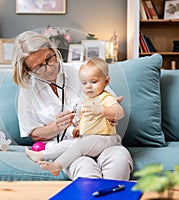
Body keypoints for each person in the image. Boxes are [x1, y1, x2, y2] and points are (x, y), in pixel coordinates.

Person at [11, 31, 133, 180]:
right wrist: (56, 126)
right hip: (68, 150)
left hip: (102, 142)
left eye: (49, 58)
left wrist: (111, 115)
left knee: (120, 160)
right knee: (87, 173)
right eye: (39, 67)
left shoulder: (82, 71)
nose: (49, 68)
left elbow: (111, 106)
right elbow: (34, 133)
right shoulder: (28, 91)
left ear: (53, 50)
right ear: (27, 71)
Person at [25, 57, 124, 176]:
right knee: (68, 144)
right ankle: (42, 155)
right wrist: (78, 129)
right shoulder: (86, 100)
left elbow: (120, 112)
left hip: (105, 139)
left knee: (79, 145)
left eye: (93, 82)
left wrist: (103, 110)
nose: (88, 86)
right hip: (89, 139)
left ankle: (57, 165)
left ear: (106, 82)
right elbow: (85, 120)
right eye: (84, 83)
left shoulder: (105, 98)